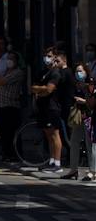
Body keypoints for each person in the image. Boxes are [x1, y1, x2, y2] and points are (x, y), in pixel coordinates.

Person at [31, 45, 74, 173]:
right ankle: (51, 161)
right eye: (45, 56)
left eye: (49, 56)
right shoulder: (44, 72)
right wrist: (40, 90)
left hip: (52, 108)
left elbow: (49, 90)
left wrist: (40, 89)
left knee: (55, 135)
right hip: (42, 107)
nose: (47, 58)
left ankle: (57, 163)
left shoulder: (56, 73)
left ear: (55, 57)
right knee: (48, 136)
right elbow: (33, 87)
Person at [0, 47, 26, 164]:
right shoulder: (4, 71)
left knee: (12, 131)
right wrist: (1, 79)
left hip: (11, 105)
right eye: (8, 58)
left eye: (12, 59)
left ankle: (15, 154)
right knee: (3, 131)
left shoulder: (18, 72)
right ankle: (6, 153)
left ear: (17, 61)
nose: (9, 61)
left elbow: (1, 82)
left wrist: (1, 80)